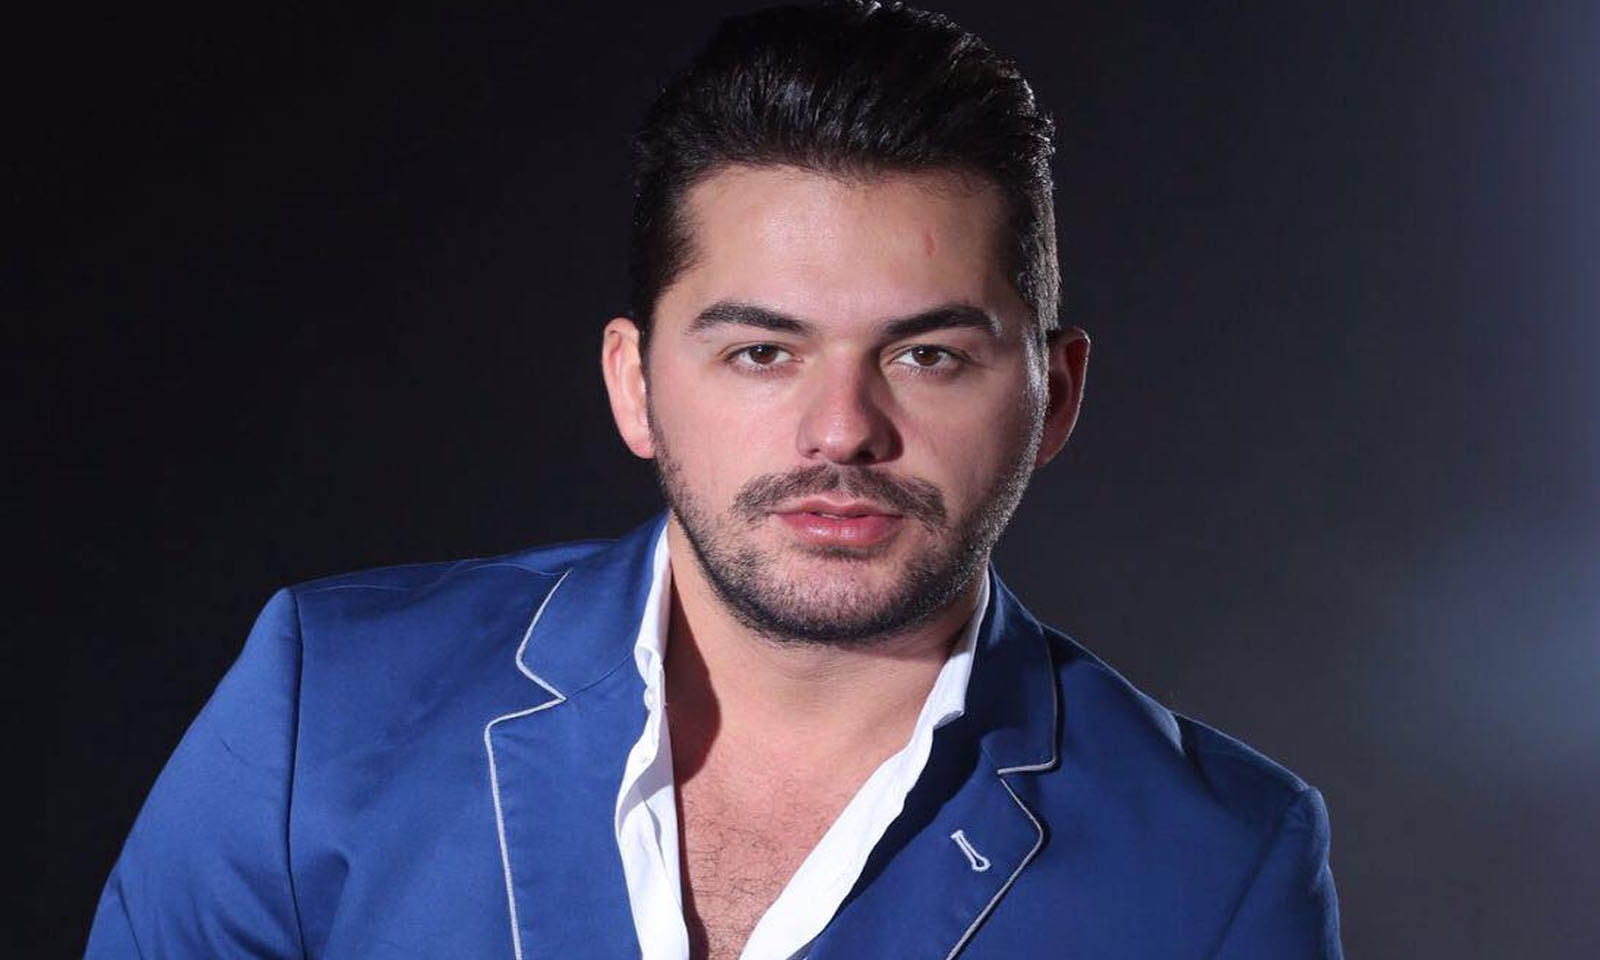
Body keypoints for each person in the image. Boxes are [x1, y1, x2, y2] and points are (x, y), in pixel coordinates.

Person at [85, 2, 1343, 957]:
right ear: (634, 385)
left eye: (926, 354)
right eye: (760, 351)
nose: (841, 430)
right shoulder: (331, 709)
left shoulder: (1218, 867)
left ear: (1052, 395)